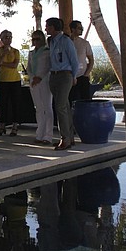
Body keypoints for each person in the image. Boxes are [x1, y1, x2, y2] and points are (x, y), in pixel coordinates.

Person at [45, 17, 79, 151]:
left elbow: (74, 61)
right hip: (54, 76)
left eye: (47, 26)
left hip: (65, 75)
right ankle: (69, 137)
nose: (46, 28)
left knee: (60, 107)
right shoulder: (51, 41)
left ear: (53, 27)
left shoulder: (65, 41)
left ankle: (64, 139)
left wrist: (73, 76)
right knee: (64, 106)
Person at [0, 30, 22, 136]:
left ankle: (14, 127)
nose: (8, 39)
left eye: (10, 37)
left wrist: (3, 63)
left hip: (15, 80)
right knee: (2, 104)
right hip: (3, 80)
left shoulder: (15, 51)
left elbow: (15, 65)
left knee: (15, 104)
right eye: (6, 37)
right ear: (2, 39)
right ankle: (2, 127)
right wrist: (4, 55)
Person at [28, 30, 53, 145]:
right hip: (34, 82)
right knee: (38, 108)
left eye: (37, 39)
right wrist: (33, 78)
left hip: (45, 81)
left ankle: (48, 136)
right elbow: (29, 68)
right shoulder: (31, 53)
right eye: (33, 39)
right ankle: (39, 134)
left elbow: (49, 67)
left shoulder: (48, 52)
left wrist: (40, 77)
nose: (35, 41)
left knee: (47, 108)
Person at [69, 20, 95, 103]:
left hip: (82, 77)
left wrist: (86, 74)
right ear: (73, 29)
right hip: (69, 77)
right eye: (79, 28)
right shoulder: (67, 42)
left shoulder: (85, 43)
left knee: (86, 101)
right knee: (70, 100)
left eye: (82, 28)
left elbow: (91, 59)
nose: (82, 29)